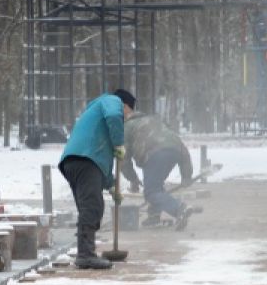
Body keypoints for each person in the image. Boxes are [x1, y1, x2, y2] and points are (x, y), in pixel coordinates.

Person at [59, 89, 134, 269]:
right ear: (124, 104)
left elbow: (103, 160)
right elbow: (115, 116)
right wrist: (119, 142)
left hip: (77, 161)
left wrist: (111, 186)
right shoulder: (111, 101)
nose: (127, 118)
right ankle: (85, 255)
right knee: (91, 208)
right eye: (128, 112)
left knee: (92, 207)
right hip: (85, 160)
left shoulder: (99, 120)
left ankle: (86, 251)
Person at [120, 111, 195, 230]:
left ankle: (179, 209)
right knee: (155, 186)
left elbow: (123, 159)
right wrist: (187, 175)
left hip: (154, 154)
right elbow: (182, 148)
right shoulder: (155, 120)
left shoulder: (126, 128)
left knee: (151, 192)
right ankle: (154, 216)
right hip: (176, 151)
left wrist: (133, 179)